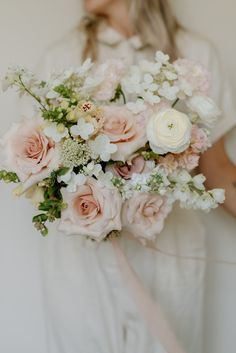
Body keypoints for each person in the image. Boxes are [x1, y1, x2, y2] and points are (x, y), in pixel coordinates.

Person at [37, 1, 236, 352]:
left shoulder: (196, 55)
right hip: (84, 264)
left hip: (169, 254)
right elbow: (40, 180)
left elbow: (217, 169)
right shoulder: (61, 58)